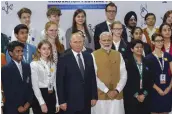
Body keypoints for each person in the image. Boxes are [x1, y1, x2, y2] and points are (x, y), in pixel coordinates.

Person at [56, 32, 98, 114]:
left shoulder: (88, 56)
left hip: (86, 100)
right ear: (70, 43)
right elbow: (60, 82)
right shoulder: (63, 58)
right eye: (75, 42)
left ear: (83, 42)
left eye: (80, 42)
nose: (78, 44)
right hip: (70, 101)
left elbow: (92, 77)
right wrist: (62, 101)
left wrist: (94, 96)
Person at [91, 32, 127, 114]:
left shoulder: (118, 54)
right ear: (100, 41)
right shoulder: (93, 55)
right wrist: (107, 91)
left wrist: (117, 90)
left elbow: (124, 75)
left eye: (109, 40)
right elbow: (94, 76)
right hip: (100, 96)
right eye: (104, 40)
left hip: (117, 96)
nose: (106, 42)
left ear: (112, 41)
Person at [1, 41, 33, 114]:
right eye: (17, 51)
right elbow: (7, 91)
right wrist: (17, 106)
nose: (21, 53)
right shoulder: (5, 69)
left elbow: (30, 86)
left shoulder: (27, 66)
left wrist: (28, 103)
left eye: (22, 51)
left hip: (26, 106)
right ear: (11, 53)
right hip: (12, 108)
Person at [124, 39, 153, 114]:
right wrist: (137, 95)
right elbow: (126, 81)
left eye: (141, 47)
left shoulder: (148, 62)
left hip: (145, 97)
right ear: (132, 49)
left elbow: (151, 80)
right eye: (137, 47)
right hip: (131, 97)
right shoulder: (127, 63)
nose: (139, 49)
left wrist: (144, 94)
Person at [30, 40, 60, 114]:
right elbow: (35, 85)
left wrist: (57, 101)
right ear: (39, 50)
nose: (47, 51)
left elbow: (55, 84)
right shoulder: (34, 64)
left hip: (51, 94)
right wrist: (42, 103)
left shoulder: (53, 64)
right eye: (44, 49)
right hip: (40, 94)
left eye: (48, 48)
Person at [145, 33, 172, 114]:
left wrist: (169, 88)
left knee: (165, 111)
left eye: (161, 41)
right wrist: (158, 89)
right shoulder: (148, 58)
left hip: (167, 89)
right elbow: (147, 78)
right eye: (157, 41)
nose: (160, 43)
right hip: (154, 90)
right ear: (153, 42)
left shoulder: (168, 56)